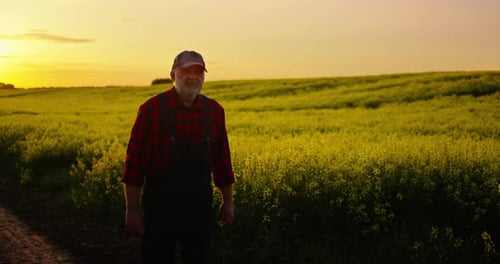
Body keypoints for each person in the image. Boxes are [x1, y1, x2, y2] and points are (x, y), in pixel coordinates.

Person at [121, 50, 235, 264]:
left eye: (198, 72)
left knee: (198, 258)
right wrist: (133, 210)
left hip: (200, 206)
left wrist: (227, 201)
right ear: (173, 75)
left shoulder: (215, 111)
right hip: (160, 207)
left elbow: (222, 161)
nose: (193, 76)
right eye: (186, 71)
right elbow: (134, 165)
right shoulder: (151, 110)